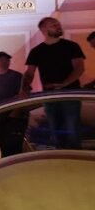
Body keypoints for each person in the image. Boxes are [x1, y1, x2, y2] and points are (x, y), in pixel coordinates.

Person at [23, 17, 86, 149]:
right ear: (44, 29)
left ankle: (74, 161)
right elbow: (29, 73)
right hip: (50, 97)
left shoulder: (71, 46)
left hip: (70, 95)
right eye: (53, 25)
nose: (58, 26)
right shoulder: (37, 51)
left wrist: (64, 84)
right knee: (55, 131)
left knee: (72, 131)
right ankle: (61, 161)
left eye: (58, 24)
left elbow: (79, 68)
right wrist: (23, 88)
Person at [0, 52, 27, 157]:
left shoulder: (17, 76)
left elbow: (23, 96)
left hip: (15, 119)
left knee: (15, 148)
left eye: (7, 60)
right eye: (2, 59)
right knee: (3, 147)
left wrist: (15, 113)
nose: (6, 62)